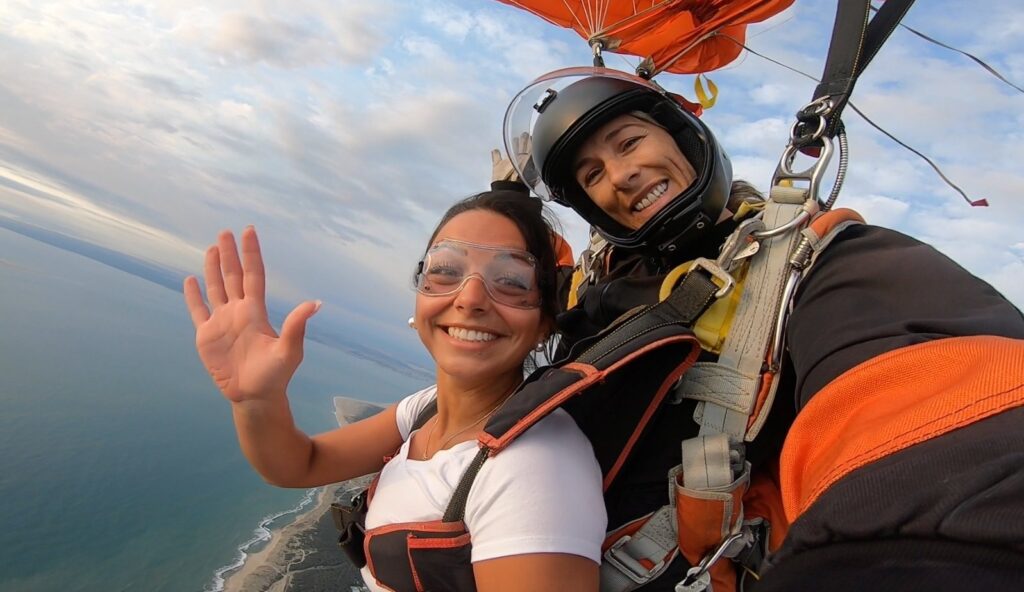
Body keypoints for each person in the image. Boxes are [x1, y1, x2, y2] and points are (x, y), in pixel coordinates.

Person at [501, 69, 1024, 591]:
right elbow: (527, 287)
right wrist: (509, 198)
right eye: (592, 176)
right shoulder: (603, 280)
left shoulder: (814, 264)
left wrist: (927, 553)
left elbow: (944, 408)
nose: (618, 176)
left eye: (630, 143)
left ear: (684, 137)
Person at [182, 189, 607, 592]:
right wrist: (258, 400)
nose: (470, 298)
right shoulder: (428, 408)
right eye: (445, 270)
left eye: (512, 280)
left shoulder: (536, 467)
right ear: (420, 295)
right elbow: (300, 465)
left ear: (544, 322)